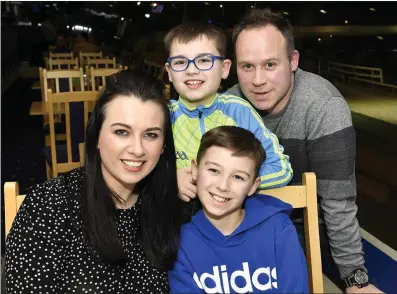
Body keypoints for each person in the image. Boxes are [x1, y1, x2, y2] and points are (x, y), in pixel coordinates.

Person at [227, 7, 382, 293]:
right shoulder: (228, 106)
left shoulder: (324, 107)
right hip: (239, 218)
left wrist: (355, 280)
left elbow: (338, 203)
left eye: (270, 65)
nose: (258, 80)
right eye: (247, 66)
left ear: (293, 60)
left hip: (302, 223)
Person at [4, 70, 186, 293]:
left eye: (151, 135)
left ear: (164, 146)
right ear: (96, 137)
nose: (137, 149)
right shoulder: (49, 206)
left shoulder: (167, 205)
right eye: (121, 132)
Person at [168, 126, 308, 293]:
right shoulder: (180, 242)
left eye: (238, 177)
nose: (223, 186)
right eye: (214, 170)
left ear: (252, 186)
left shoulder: (278, 228)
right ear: (195, 171)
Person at [164, 22, 293, 202]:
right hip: (177, 221)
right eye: (180, 62)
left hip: (234, 221)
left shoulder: (239, 112)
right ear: (169, 72)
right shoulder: (162, 117)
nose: (191, 70)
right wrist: (169, 179)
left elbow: (280, 167)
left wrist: (236, 181)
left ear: (224, 68)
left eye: (204, 61)